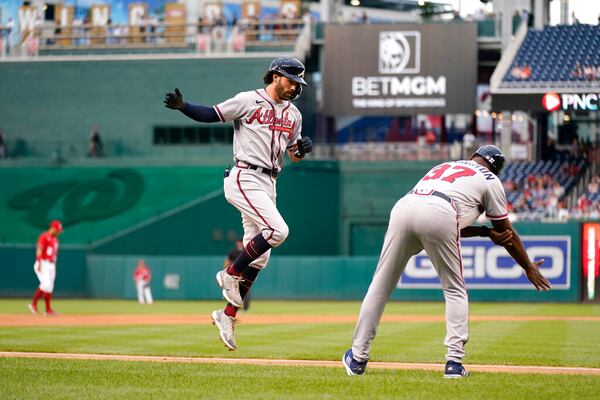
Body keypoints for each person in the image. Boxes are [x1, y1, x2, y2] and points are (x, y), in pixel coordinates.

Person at [342, 145, 551, 378]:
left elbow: (440, 217)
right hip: (441, 211)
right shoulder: (490, 179)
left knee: (380, 286)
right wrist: (527, 266)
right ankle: (454, 363)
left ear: (474, 157)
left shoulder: (445, 165)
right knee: (454, 290)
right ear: (497, 169)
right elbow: (505, 232)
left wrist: (484, 232)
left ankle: (358, 358)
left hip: (405, 206)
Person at [164, 56, 313, 351]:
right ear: (275, 76)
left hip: (270, 182)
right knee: (278, 231)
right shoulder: (249, 100)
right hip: (244, 175)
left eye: (299, 84)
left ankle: (227, 315)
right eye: (291, 81)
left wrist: (302, 150)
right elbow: (212, 114)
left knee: (259, 257)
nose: (295, 87)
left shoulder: (294, 115)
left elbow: (294, 154)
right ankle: (230, 274)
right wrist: (184, 107)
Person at [28, 220, 64, 316]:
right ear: (52, 228)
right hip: (43, 263)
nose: (58, 232)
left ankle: (48, 310)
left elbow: (53, 253)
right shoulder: (44, 236)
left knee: (50, 287)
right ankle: (33, 304)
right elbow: (39, 249)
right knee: (46, 284)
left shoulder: (55, 240)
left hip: (51, 264)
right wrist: (39, 262)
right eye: (57, 230)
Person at [223, 238, 251, 310]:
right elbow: (228, 261)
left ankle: (244, 307)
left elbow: (227, 261)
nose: (239, 243)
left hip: (242, 274)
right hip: (236, 274)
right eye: (239, 242)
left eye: (240, 242)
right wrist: (225, 270)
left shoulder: (246, 250)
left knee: (243, 291)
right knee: (235, 291)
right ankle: (233, 307)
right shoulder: (235, 251)